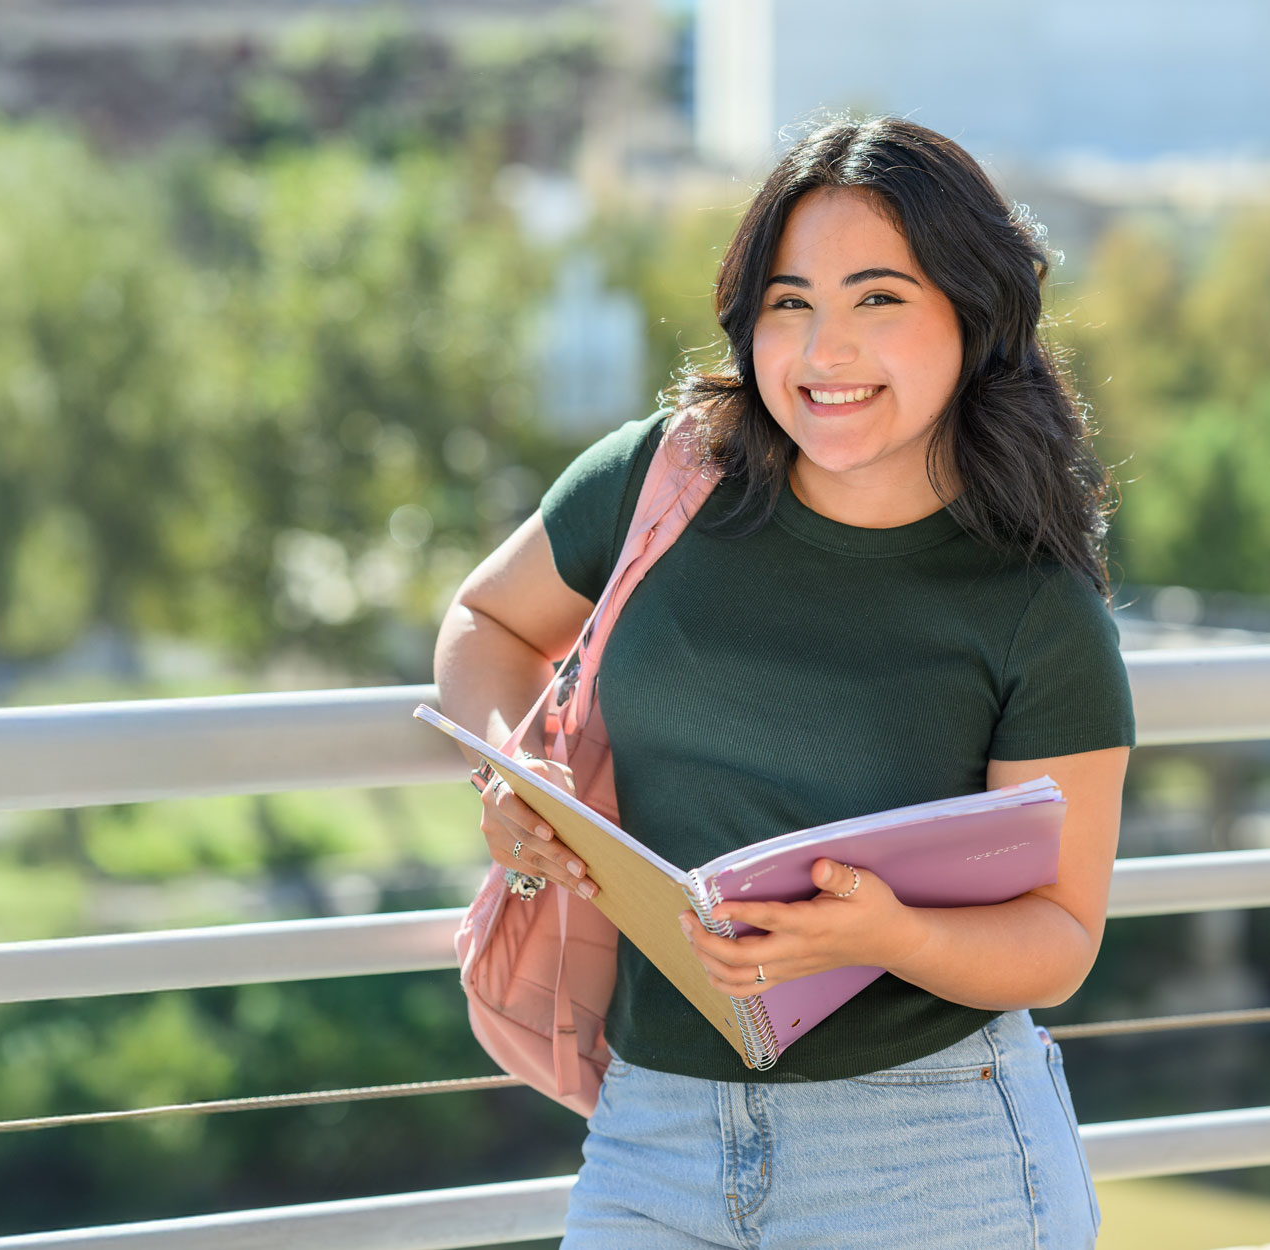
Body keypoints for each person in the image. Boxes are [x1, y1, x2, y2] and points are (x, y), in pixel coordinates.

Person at [432, 115, 1133, 1249]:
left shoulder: (1035, 610)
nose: (822, 349)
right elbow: (485, 620)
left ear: (970, 316)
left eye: (876, 299)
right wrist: (509, 766)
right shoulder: (661, 481)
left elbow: (1058, 936)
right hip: (650, 1125)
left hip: (930, 1152)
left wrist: (879, 931)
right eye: (788, 301)